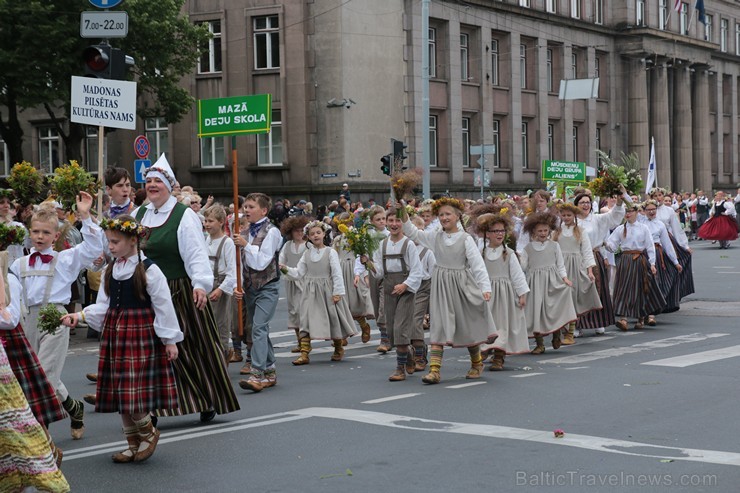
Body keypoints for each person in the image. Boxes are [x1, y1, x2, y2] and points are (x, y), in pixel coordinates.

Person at [61, 216, 181, 463]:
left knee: (132, 391)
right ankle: (133, 442)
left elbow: (163, 306)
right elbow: (103, 305)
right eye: (109, 242)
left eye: (115, 242)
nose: (111, 247)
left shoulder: (150, 270)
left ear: (133, 240)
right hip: (116, 335)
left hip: (140, 334)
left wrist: (170, 340)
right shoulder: (111, 269)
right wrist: (80, 314)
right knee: (120, 392)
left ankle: (148, 432)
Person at [134, 155, 239, 422]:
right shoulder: (139, 214)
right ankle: (153, 406)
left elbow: (196, 254)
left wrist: (201, 285)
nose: (152, 185)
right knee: (152, 349)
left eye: (158, 181)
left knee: (193, 348)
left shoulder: (184, 216)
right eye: (148, 181)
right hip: (146, 291)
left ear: (169, 186)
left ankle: (207, 398)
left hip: (178, 290)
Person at [10, 191, 103, 440]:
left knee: (45, 377)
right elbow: (11, 297)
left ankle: (41, 435)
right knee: (35, 375)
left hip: (56, 320)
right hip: (27, 320)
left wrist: (85, 215)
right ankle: (74, 407)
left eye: (46, 233)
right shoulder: (19, 264)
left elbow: (94, 247)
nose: (40, 237)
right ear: (30, 232)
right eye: (36, 232)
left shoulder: (65, 259)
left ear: (56, 236)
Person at [400, 197, 495, 384]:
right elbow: (412, 232)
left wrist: (485, 287)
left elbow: (477, 265)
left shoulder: (466, 239)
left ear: (457, 215)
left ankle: (477, 363)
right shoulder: (435, 237)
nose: (444, 217)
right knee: (439, 326)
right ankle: (435, 371)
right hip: (441, 285)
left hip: (462, 285)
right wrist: (402, 211)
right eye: (441, 214)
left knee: (467, 325)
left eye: (448, 214)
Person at [282, 220, 357, 364]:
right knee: (305, 320)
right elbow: (299, 272)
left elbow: (336, 273)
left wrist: (338, 292)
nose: (315, 236)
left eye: (318, 233)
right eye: (312, 234)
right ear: (308, 237)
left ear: (324, 234)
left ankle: (338, 347)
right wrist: (286, 269)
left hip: (326, 290)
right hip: (309, 291)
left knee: (332, 319)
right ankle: (304, 353)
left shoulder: (330, 252)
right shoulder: (307, 254)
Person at [364, 209, 423, 381]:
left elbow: (417, 271)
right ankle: (409, 352)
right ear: (387, 223)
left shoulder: (409, 244)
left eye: (397, 221)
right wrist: (368, 263)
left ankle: (399, 369)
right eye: (391, 221)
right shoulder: (382, 245)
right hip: (389, 286)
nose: (394, 224)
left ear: (403, 223)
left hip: (405, 288)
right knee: (390, 330)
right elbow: (379, 272)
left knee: (400, 328)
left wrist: (405, 285)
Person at [232, 192, 282, 392]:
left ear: (263, 210)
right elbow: (239, 264)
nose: (246, 210)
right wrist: (239, 286)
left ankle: (257, 373)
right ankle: (270, 370)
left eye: (251, 207)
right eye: (245, 207)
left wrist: (246, 246)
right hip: (250, 288)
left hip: (267, 286)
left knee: (258, 328)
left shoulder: (272, 232)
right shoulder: (243, 232)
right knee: (259, 328)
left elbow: (262, 262)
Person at [477, 212, 530, 371]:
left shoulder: (509, 254)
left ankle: (499, 357)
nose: (499, 234)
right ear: (487, 234)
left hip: (504, 296)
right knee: (486, 324)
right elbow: (477, 273)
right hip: (487, 294)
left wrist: (522, 294)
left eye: (502, 231)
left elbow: (517, 275)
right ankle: (485, 349)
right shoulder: (481, 253)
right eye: (495, 231)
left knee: (502, 325)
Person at [519, 211, 576, 354]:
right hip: (535, 283)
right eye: (540, 231)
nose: (543, 233)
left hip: (552, 281)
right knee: (535, 312)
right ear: (533, 231)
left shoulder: (554, 246)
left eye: (545, 230)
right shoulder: (528, 248)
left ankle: (556, 333)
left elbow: (560, 264)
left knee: (553, 308)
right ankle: (539, 343)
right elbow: (523, 267)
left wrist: (564, 278)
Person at [605, 204, 666, 330]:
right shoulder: (620, 229)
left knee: (640, 288)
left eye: (630, 211)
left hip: (639, 260)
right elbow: (612, 245)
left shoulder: (643, 228)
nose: (628, 214)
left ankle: (640, 318)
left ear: (636, 212)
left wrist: (653, 263)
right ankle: (623, 318)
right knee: (623, 288)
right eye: (626, 212)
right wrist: (605, 244)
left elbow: (649, 246)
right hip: (625, 260)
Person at [573, 191, 625, 336]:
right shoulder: (573, 221)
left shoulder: (596, 219)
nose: (585, 205)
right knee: (580, 292)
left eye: (588, 202)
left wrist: (619, 202)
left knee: (598, 289)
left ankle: (598, 322)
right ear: (576, 205)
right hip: (578, 259)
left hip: (595, 257)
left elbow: (613, 217)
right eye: (582, 202)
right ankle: (578, 324)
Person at [554, 203, 601, 344]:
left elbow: (586, 251)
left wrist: (590, 270)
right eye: (564, 215)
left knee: (573, 298)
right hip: (560, 266)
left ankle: (570, 332)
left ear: (574, 216)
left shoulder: (580, 231)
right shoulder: (556, 232)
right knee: (560, 299)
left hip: (575, 267)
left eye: (569, 215)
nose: (566, 217)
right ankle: (561, 330)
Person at [332, 214, 374, 343]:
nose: (347, 227)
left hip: (355, 269)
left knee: (356, 302)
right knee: (343, 304)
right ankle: (343, 335)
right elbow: (334, 255)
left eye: (349, 224)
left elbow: (363, 254)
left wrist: (365, 273)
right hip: (342, 270)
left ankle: (364, 326)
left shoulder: (357, 237)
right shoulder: (338, 240)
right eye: (344, 224)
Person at [203, 204, 237, 356]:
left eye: (210, 221)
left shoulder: (227, 243)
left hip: (219, 285)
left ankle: (223, 355)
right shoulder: (205, 240)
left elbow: (232, 273)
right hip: (205, 284)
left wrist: (221, 289)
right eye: (205, 221)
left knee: (221, 325)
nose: (207, 224)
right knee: (206, 325)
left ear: (221, 222)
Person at [279, 215, 310, 354]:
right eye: (296, 230)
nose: (299, 233)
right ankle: (300, 341)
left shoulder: (309, 245)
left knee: (303, 311)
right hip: (291, 281)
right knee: (294, 311)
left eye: (302, 230)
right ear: (291, 232)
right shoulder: (287, 245)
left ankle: (305, 345)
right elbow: (281, 260)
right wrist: (282, 268)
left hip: (305, 282)